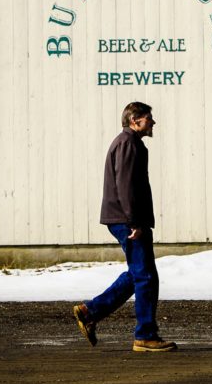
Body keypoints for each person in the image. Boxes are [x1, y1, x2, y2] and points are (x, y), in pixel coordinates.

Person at [72, 101, 178, 353]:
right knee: (145, 277)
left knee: (139, 274)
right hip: (127, 220)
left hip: (125, 219)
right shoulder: (128, 144)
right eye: (148, 118)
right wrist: (135, 222)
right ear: (134, 120)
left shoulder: (130, 143)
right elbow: (126, 186)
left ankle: (90, 311)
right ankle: (145, 336)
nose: (153, 122)